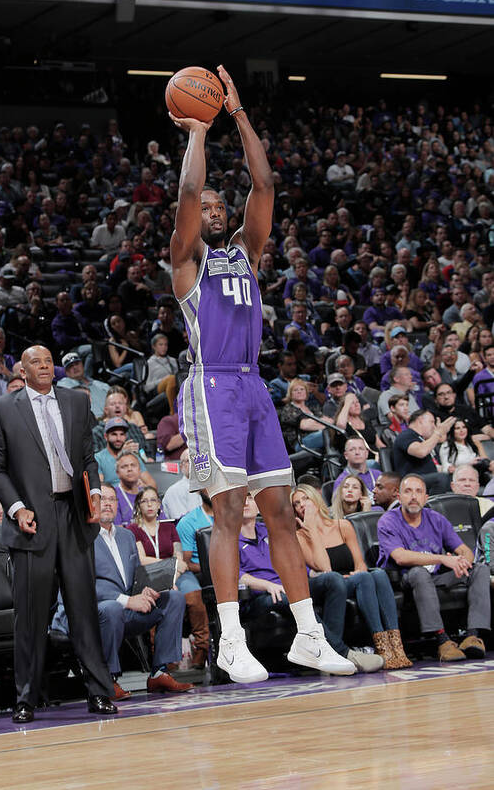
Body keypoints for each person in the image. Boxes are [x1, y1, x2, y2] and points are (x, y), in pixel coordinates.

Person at [169, 64, 354, 682]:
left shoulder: (246, 256)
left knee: (279, 508)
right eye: (210, 206)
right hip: (213, 383)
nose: (215, 209)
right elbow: (187, 199)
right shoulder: (186, 264)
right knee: (227, 512)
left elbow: (266, 183)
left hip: (252, 383)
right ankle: (228, 640)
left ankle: (308, 634)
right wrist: (198, 131)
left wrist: (240, 112)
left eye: (223, 204)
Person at [0, 345, 116, 723]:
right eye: (35, 362)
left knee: (84, 612)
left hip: (74, 518)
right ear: (22, 370)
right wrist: (16, 508)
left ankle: (99, 693)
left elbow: (88, 457)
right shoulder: (3, 409)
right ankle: (26, 697)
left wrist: (93, 492)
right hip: (32, 522)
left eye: (47, 361)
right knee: (29, 617)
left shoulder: (76, 401)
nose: (44, 367)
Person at [52, 483, 192, 698]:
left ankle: (159, 672)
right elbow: (78, 585)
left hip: (121, 609)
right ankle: (106, 679)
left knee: (173, 597)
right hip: (83, 612)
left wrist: (145, 590)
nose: (107, 503)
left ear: (118, 505)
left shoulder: (126, 536)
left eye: (112, 499)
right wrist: (126, 601)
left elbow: (134, 576)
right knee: (111, 608)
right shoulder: (77, 538)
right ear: (90, 505)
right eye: (101, 499)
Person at [292, 484, 411, 669]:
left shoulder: (343, 525)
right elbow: (325, 569)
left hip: (356, 578)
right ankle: (380, 646)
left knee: (377, 574)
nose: (302, 505)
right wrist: (312, 529)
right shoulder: (301, 536)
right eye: (297, 504)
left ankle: (396, 646)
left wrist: (359, 571)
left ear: (315, 499)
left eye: (305, 499)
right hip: (334, 585)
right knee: (364, 578)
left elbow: (360, 562)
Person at [239, 493, 360, 674]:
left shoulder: (269, 531)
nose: (245, 503)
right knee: (288, 597)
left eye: (249, 498)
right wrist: (266, 585)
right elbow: (235, 575)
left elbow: (292, 561)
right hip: (261, 596)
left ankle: (328, 652)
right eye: (241, 499)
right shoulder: (227, 538)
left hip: (286, 588)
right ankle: (340, 651)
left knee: (332, 580)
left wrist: (313, 574)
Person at [377, 474, 491, 661]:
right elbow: (400, 557)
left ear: (426, 497)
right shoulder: (388, 521)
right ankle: (442, 641)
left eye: (419, 491)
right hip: (406, 580)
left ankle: (472, 636)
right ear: (399, 497)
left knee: (480, 569)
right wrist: (443, 559)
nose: (413, 496)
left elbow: (463, 549)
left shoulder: (436, 518)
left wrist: (463, 561)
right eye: (408, 491)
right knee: (419, 573)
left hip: (437, 577)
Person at [127, 485, 209, 669]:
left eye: (153, 500)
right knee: (159, 600)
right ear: (139, 505)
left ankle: (202, 648)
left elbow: (180, 560)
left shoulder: (169, 527)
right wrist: (166, 568)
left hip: (176, 574)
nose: (149, 504)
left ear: (159, 505)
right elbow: (141, 560)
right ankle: (163, 657)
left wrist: (171, 578)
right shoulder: (134, 529)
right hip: (150, 576)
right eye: (144, 501)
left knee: (194, 596)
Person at [392, 409, 455, 494]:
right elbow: (421, 452)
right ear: (420, 421)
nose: (434, 426)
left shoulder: (423, 440)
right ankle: (432, 506)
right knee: (441, 479)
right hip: (412, 481)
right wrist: (438, 433)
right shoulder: (406, 435)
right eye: (431, 422)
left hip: (429, 478)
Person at [95, 417, 154, 487]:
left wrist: (144, 487)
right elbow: (99, 488)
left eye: (122, 434)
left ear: (126, 436)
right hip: (113, 496)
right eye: (114, 434)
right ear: (106, 436)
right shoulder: (98, 458)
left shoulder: (133, 457)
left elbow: (152, 485)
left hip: (136, 495)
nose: (118, 438)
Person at [57, 352, 110, 419]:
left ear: (82, 365)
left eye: (77, 364)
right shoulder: (64, 383)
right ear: (66, 372)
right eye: (70, 366)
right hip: (89, 424)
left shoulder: (101, 385)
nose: (75, 367)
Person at [279, 377, 324, 452]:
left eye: (302, 389)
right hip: (300, 443)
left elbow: (328, 420)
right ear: (290, 394)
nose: (299, 392)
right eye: (295, 390)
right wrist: (322, 425)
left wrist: (315, 423)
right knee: (327, 434)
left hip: (317, 436)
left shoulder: (311, 407)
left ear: (306, 392)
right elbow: (305, 426)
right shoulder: (288, 409)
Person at [161, 448, 202, 520]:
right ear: (181, 466)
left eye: (196, 460)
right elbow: (181, 521)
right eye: (189, 461)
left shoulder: (209, 487)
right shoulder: (174, 491)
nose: (193, 463)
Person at [145, 333, 178, 415]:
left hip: (173, 385)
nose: (164, 347)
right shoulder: (149, 363)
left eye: (165, 345)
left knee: (173, 379)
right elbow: (146, 387)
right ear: (154, 346)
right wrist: (163, 380)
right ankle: (173, 413)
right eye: (160, 345)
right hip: (157, 389)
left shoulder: (173, 361)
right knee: (171, 378)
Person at [113, 451, 144, 526]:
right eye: (124, 466)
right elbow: (118, 531)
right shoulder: (113, 496)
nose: (129, 469)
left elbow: (162, 524)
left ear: (140, 470)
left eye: (133, 465)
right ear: (117, 473)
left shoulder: (148, 494)